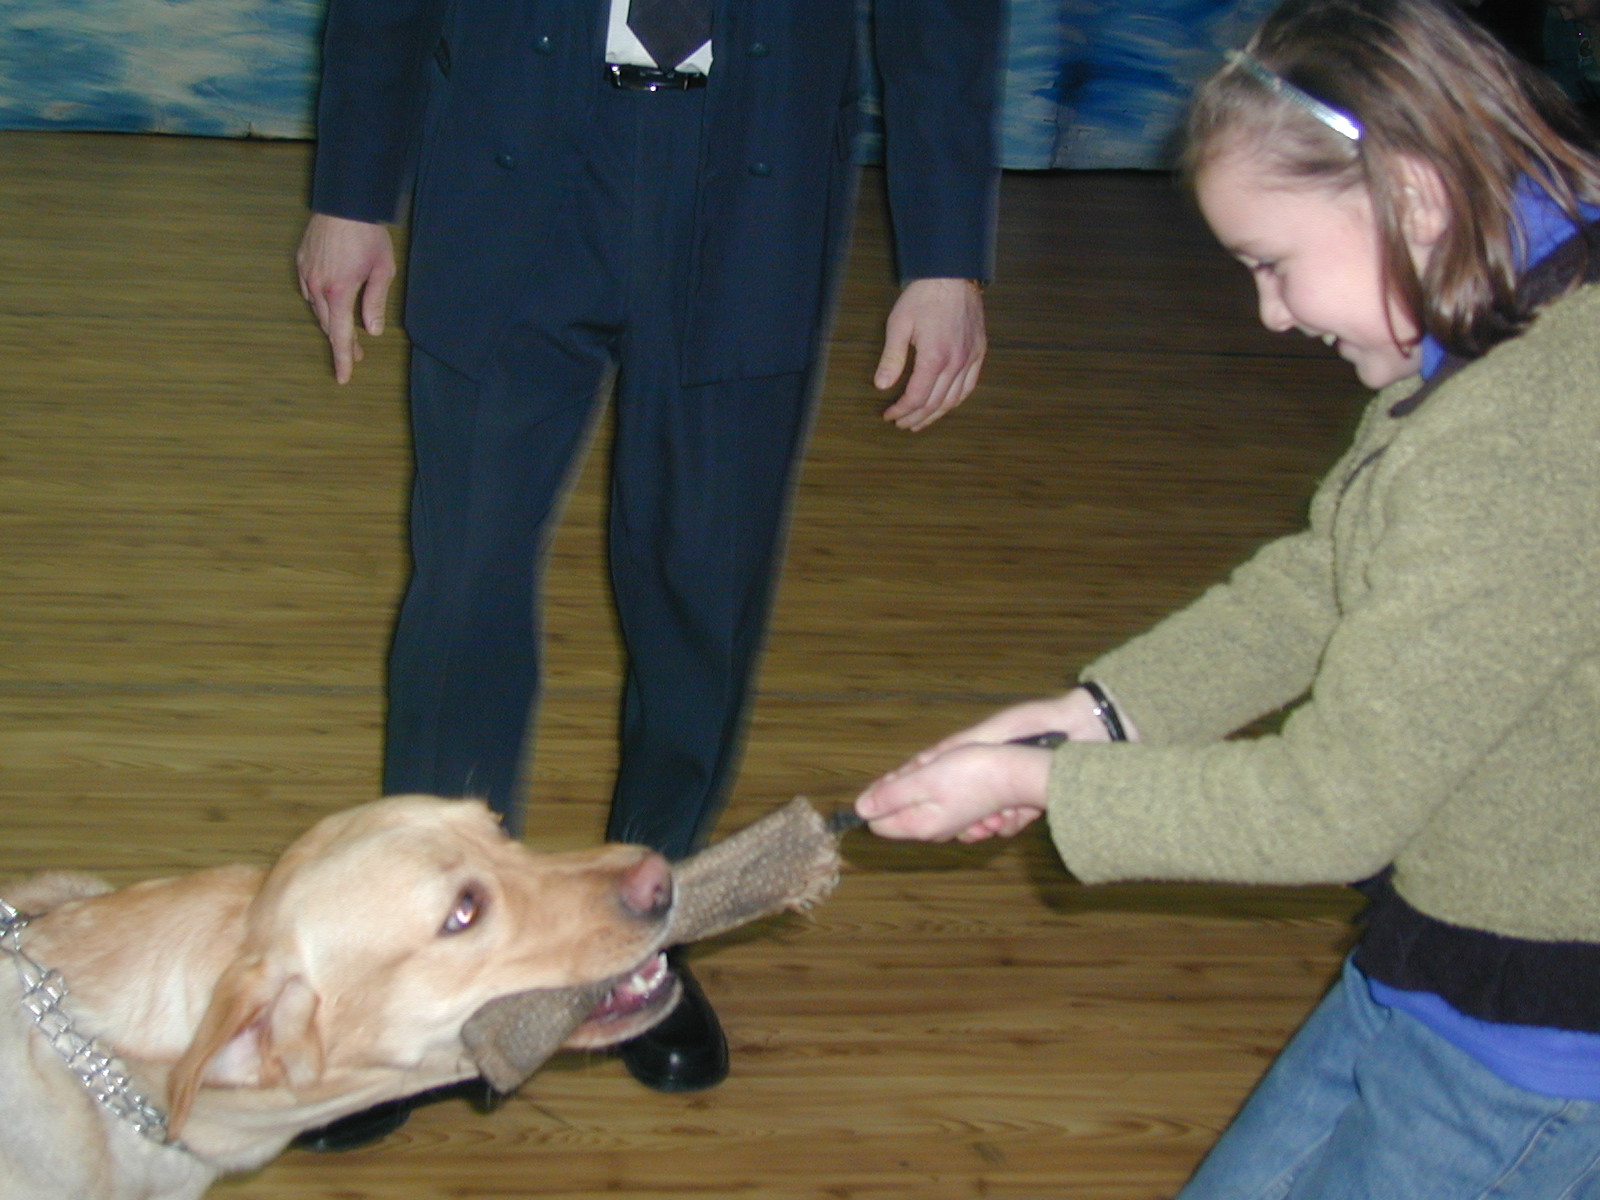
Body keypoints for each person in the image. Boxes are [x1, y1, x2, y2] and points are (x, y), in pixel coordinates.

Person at [855, 1, 1600, 1196]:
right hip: (1429, 969)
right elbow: (1326, 576)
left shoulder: (1521, 431)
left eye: (1272, 264)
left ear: (1408, 197)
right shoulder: (1500, 327)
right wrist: (1089, 714)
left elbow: (1331, 804)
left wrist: (1041, 785)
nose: (1270, 312)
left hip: (1528, 1059)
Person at [293, 0, 1000, 1147]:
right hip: (509, 148)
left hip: (755, 177)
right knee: (463, 588)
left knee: (698, 596)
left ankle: (643, 932)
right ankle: (438, 960)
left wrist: (946, 251)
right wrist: (352, 188)